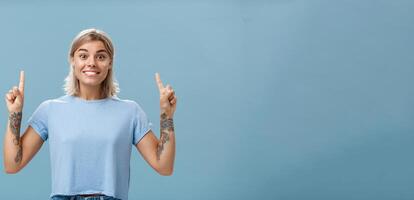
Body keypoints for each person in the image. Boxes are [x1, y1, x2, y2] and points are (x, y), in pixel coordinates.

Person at [3, 28, 177, 200]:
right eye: (83, 56)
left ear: (110, 62)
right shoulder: (50, 110)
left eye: (101, 56)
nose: (91, 63)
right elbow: (13, 164)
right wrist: (15, 113)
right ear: (72, 60)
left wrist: (166, 115)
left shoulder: (130, 112)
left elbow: (164, 166)